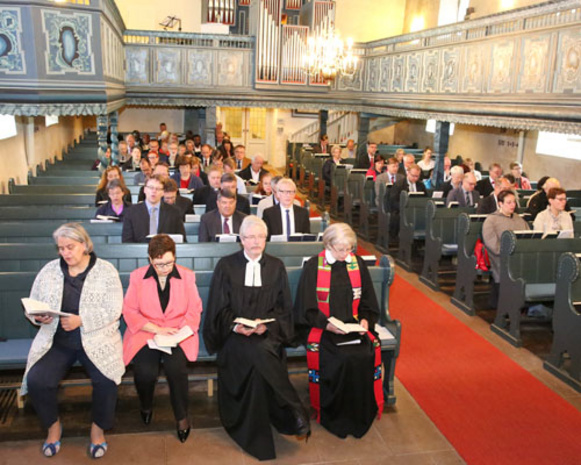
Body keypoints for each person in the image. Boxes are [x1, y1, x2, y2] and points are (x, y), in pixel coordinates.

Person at [203, 216, 310, 461]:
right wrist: (235, 325)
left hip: (267, 333)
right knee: (255, 353)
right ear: (241, 240)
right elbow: (218, 308)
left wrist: (266, 327)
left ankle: (275, 418)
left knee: (260, 351)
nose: (255, 242)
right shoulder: (226, 266)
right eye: (250, 237)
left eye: (260, 236)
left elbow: (284, 310)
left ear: (266, 239)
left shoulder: (276, 266)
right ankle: (291, 407)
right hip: (235, 336)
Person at [21, 223, 124, 458]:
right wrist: (40, 317)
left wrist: (82, 320)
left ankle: (98, 431)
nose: (65, 253)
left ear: (84, 245)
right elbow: (33, 303)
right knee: (38, 380)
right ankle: (53, 427)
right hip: (58, 340)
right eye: (61, 248)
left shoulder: (105, 270)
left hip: (97, 338)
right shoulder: (49, 271)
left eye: (70, 247)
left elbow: (114, 309)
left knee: (106, 380)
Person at [294, 222, 383, 438]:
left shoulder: (357, 264)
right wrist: (328, 325)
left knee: (364, 353)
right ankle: (334, 413)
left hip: (352, 326)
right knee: (340, 357)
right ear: (328, 245)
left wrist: (364, 320)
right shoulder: (314, 266)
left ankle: (359, 413)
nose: (346, 254)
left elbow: (369, 302)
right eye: (340, 249)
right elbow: (306, 307)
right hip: (322, 326)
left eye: (349, 248)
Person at [122, 234, 202, 443]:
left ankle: (182, 418)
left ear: (175, 256)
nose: (165, 268)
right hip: (146, 332)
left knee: (177, 370)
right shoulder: (137, 277)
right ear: (150, 259)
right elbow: (130, 311)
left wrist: (181, 331)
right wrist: (156, 329)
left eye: (169, 263)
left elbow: (194, 310)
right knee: (145, 372)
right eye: (159, 264)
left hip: (177, 334)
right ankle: (146, 405)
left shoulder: (187, 276)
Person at [482, 190, 530, 307]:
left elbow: (529, 238)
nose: (513, 205)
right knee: (506, 266)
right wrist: (508, 254)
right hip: (500, 256)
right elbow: (492, 244)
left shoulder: (519, 219)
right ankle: (506, 303)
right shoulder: (491, 220)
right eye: (509, 202)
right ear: (500, 204)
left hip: (519, 255)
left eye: (514, 202)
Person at [122, 175, 186, 243]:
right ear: (144, 190)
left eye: (158, 189)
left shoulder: (174, 212)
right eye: (151, 187)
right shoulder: (131, 212)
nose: (154, 191)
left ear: (163, 193)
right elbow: (127, 242)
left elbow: (182, 240)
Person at [388, 164, 427, 238]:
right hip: (401, 210)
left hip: (417, 211)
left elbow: (425, 199)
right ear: (408, 173)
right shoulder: (399, 184)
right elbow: (393, 201)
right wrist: (405, 208)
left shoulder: (421, 185)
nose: (415, 178)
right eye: (413, 176)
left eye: (417, 176)